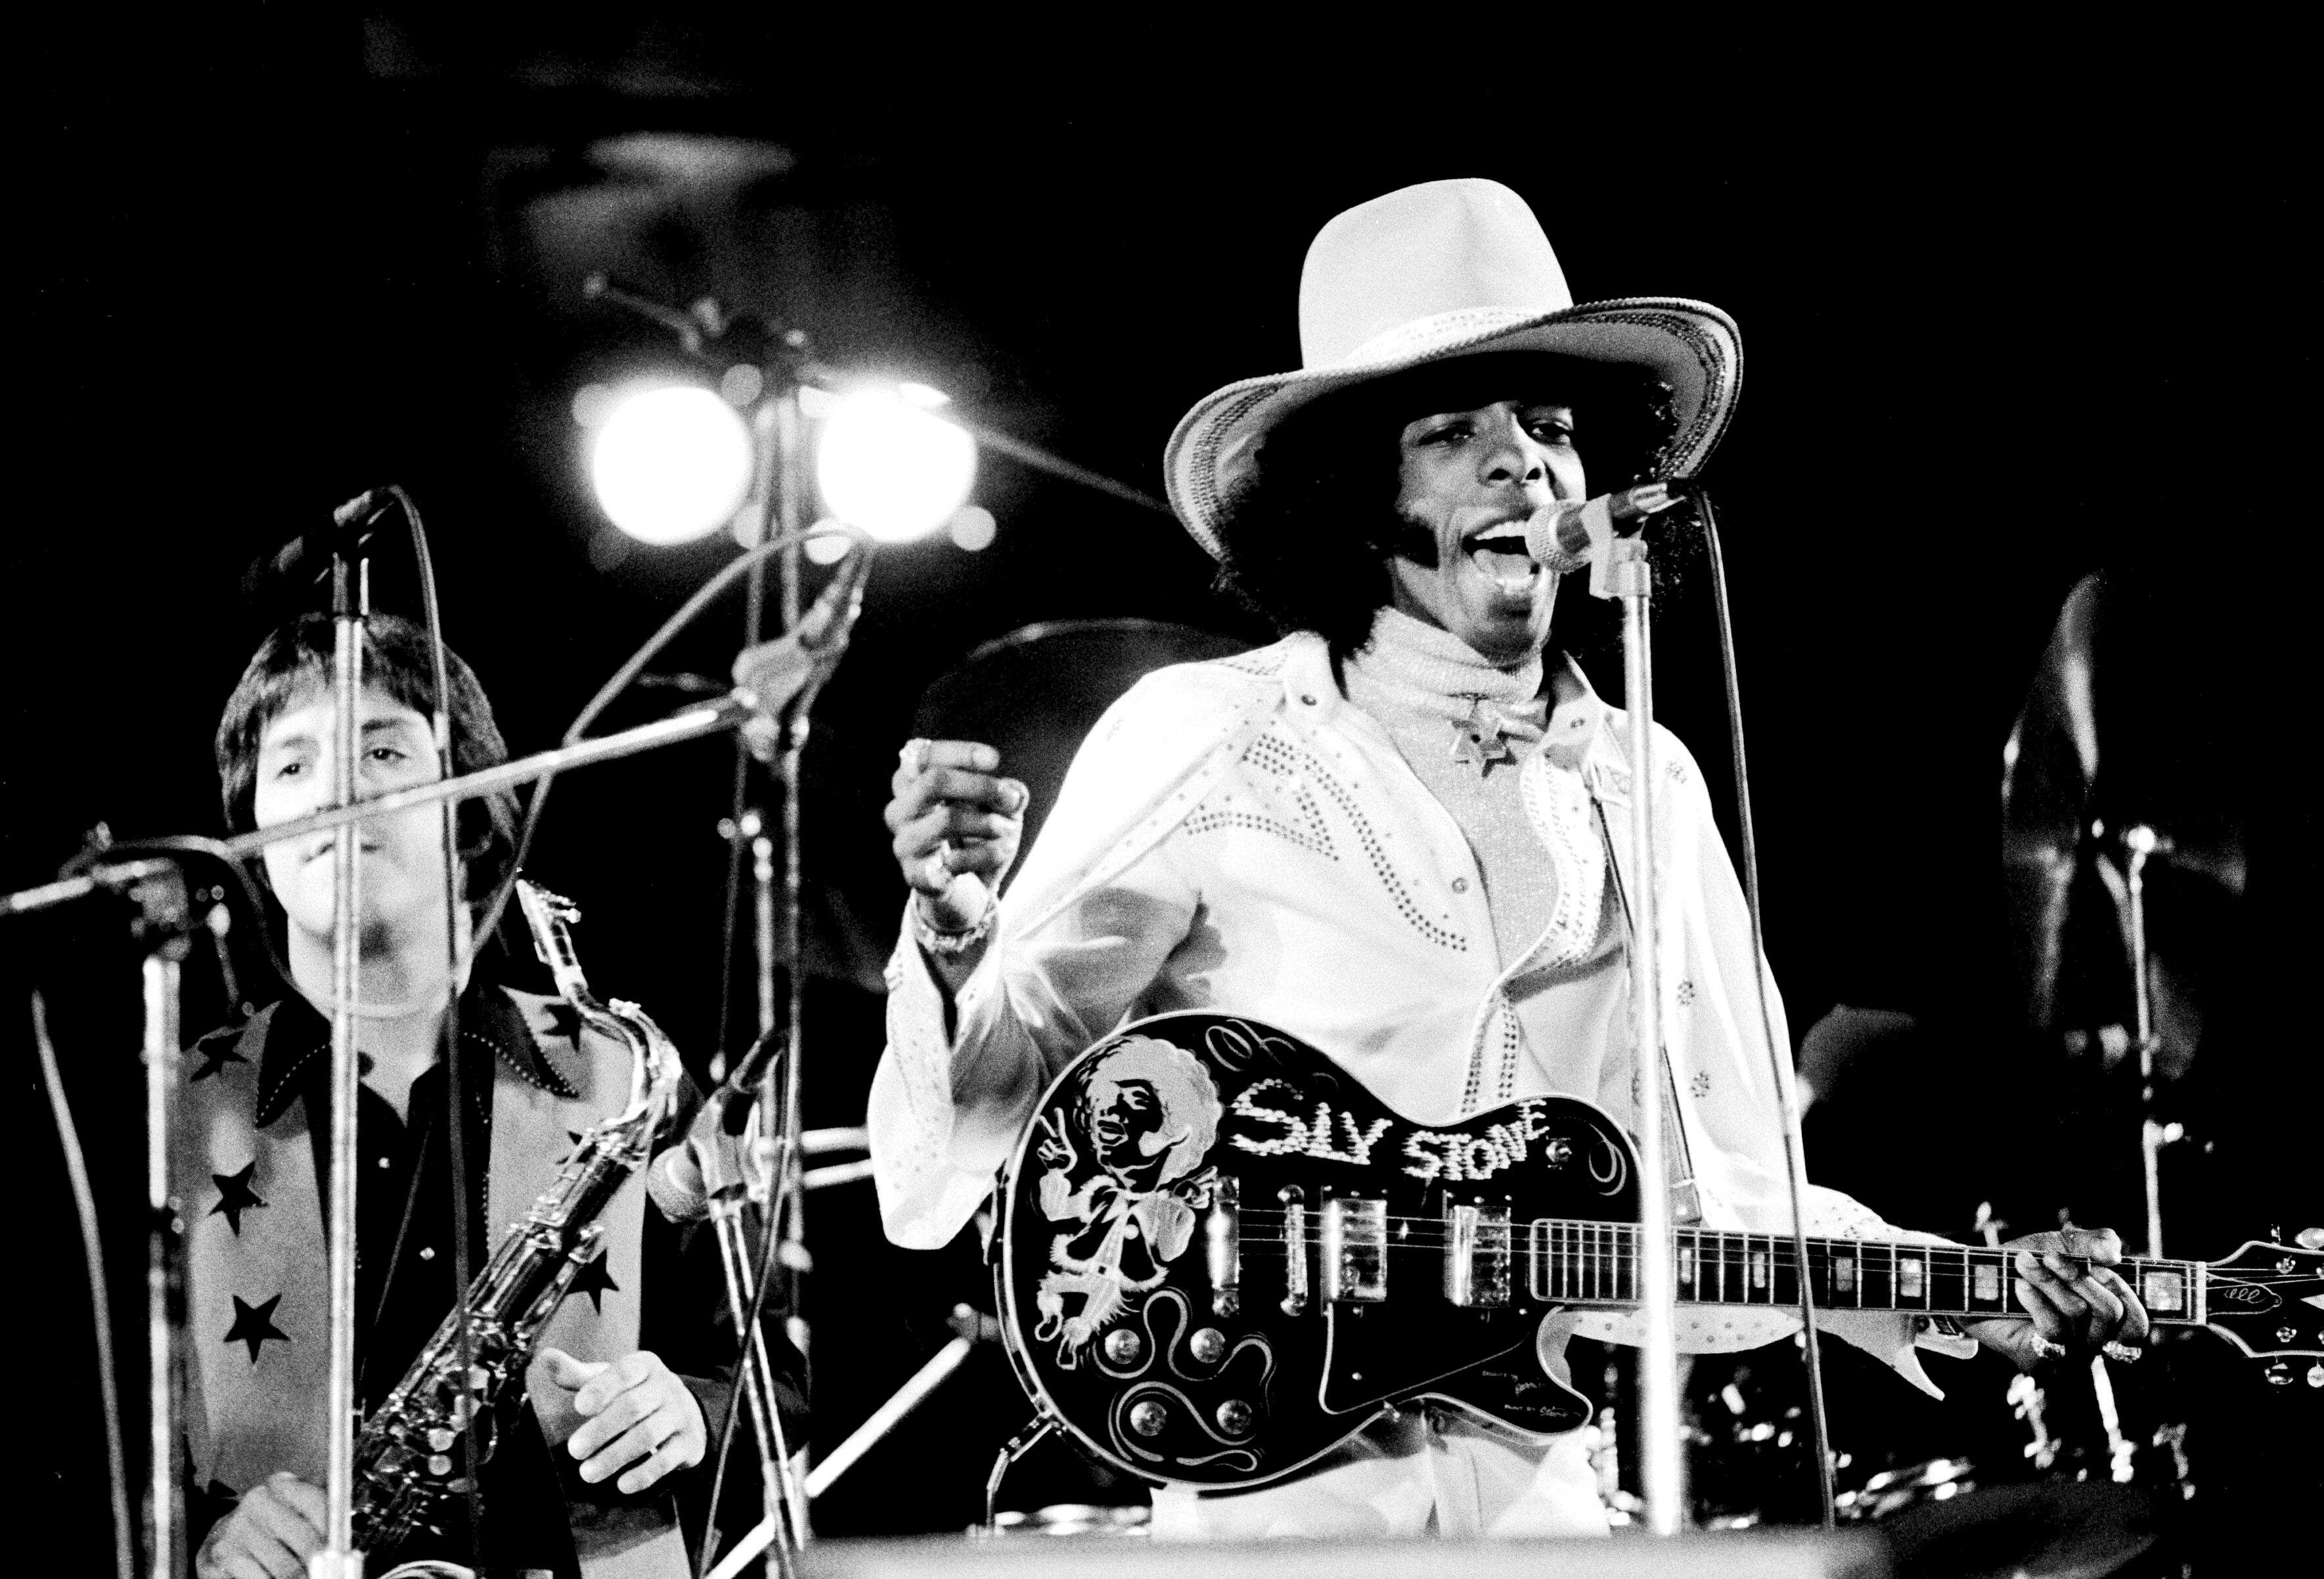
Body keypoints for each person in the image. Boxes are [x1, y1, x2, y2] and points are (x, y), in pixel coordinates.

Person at [870, 179, 2146, 1536]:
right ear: (1359, 493)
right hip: (1271, 1502)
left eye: (1546, 428)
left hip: (1548, 1498)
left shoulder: (1641, 779)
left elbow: (1717, 1199)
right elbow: (977, 1128)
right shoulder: (1212, 736)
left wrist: (1957, 1285)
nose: (1520, 464)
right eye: (1452, 433)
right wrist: (956, 934)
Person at [188, 613, 717, 1579]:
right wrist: (206, 1542)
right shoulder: (177, 1111)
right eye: (292, 767)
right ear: (253, 833)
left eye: (382, 748)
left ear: (469, 811)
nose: (337, 790)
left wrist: (692, 1410)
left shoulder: (622, 1074)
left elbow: (766, 1358)